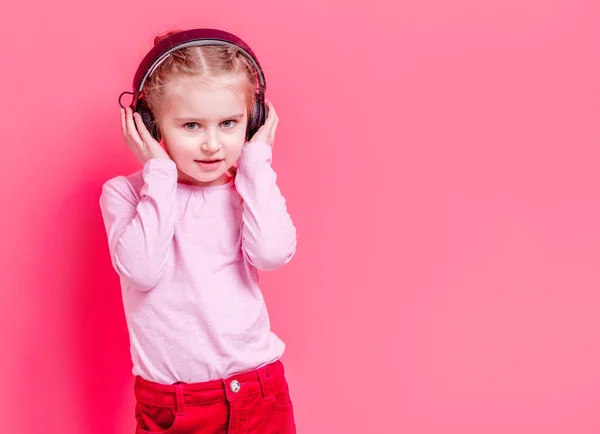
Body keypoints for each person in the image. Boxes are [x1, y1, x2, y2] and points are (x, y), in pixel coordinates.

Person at [99, 28, 297, 433]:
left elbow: (272, 253)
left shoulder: (248, 189)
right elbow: (141, 271)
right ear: (150, 126)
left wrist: (257, 162)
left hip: (260, 392)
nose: (212, 144)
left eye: (229, 123)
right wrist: (159, 175)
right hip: (176, 405)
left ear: (253, 119)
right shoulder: (126, 194)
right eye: (191, 125)